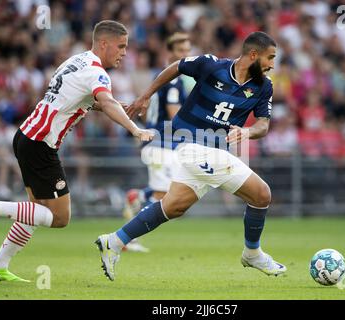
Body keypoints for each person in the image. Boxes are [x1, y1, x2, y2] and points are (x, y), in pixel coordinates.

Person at [0, 20, 154, 282]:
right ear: (104, 43)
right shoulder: (97, 73)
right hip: (41, 145)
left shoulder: (75, 61)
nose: (124, 52)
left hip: (27, 136)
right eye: (121, 46)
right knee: (59, 217)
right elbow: (104, 100)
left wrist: (114, 105)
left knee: (34, 210)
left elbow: (84, 100)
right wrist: (135, 130)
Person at [94, 31, 287, 281]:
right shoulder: (212, 65)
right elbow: (177, 67)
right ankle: (252, 253)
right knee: (262, 194)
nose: (272, 64)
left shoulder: (264, 86)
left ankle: (114, 241)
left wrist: (247, 132)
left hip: (215, 152)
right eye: (270, 57)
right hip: (190, 146)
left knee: (173, 207)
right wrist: (146, 95)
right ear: (253, 55)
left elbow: (263, 124)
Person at [122, 32, 192, 253]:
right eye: (181, 51)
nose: (185, 55)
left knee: (164, 193)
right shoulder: (174, 81)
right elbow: (174, 114)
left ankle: (137, 197)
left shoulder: (159, 75)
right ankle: (126, 237)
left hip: (158, 142)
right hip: (162, 144)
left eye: (188, 51)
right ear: (170, 53)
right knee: (164, 196)